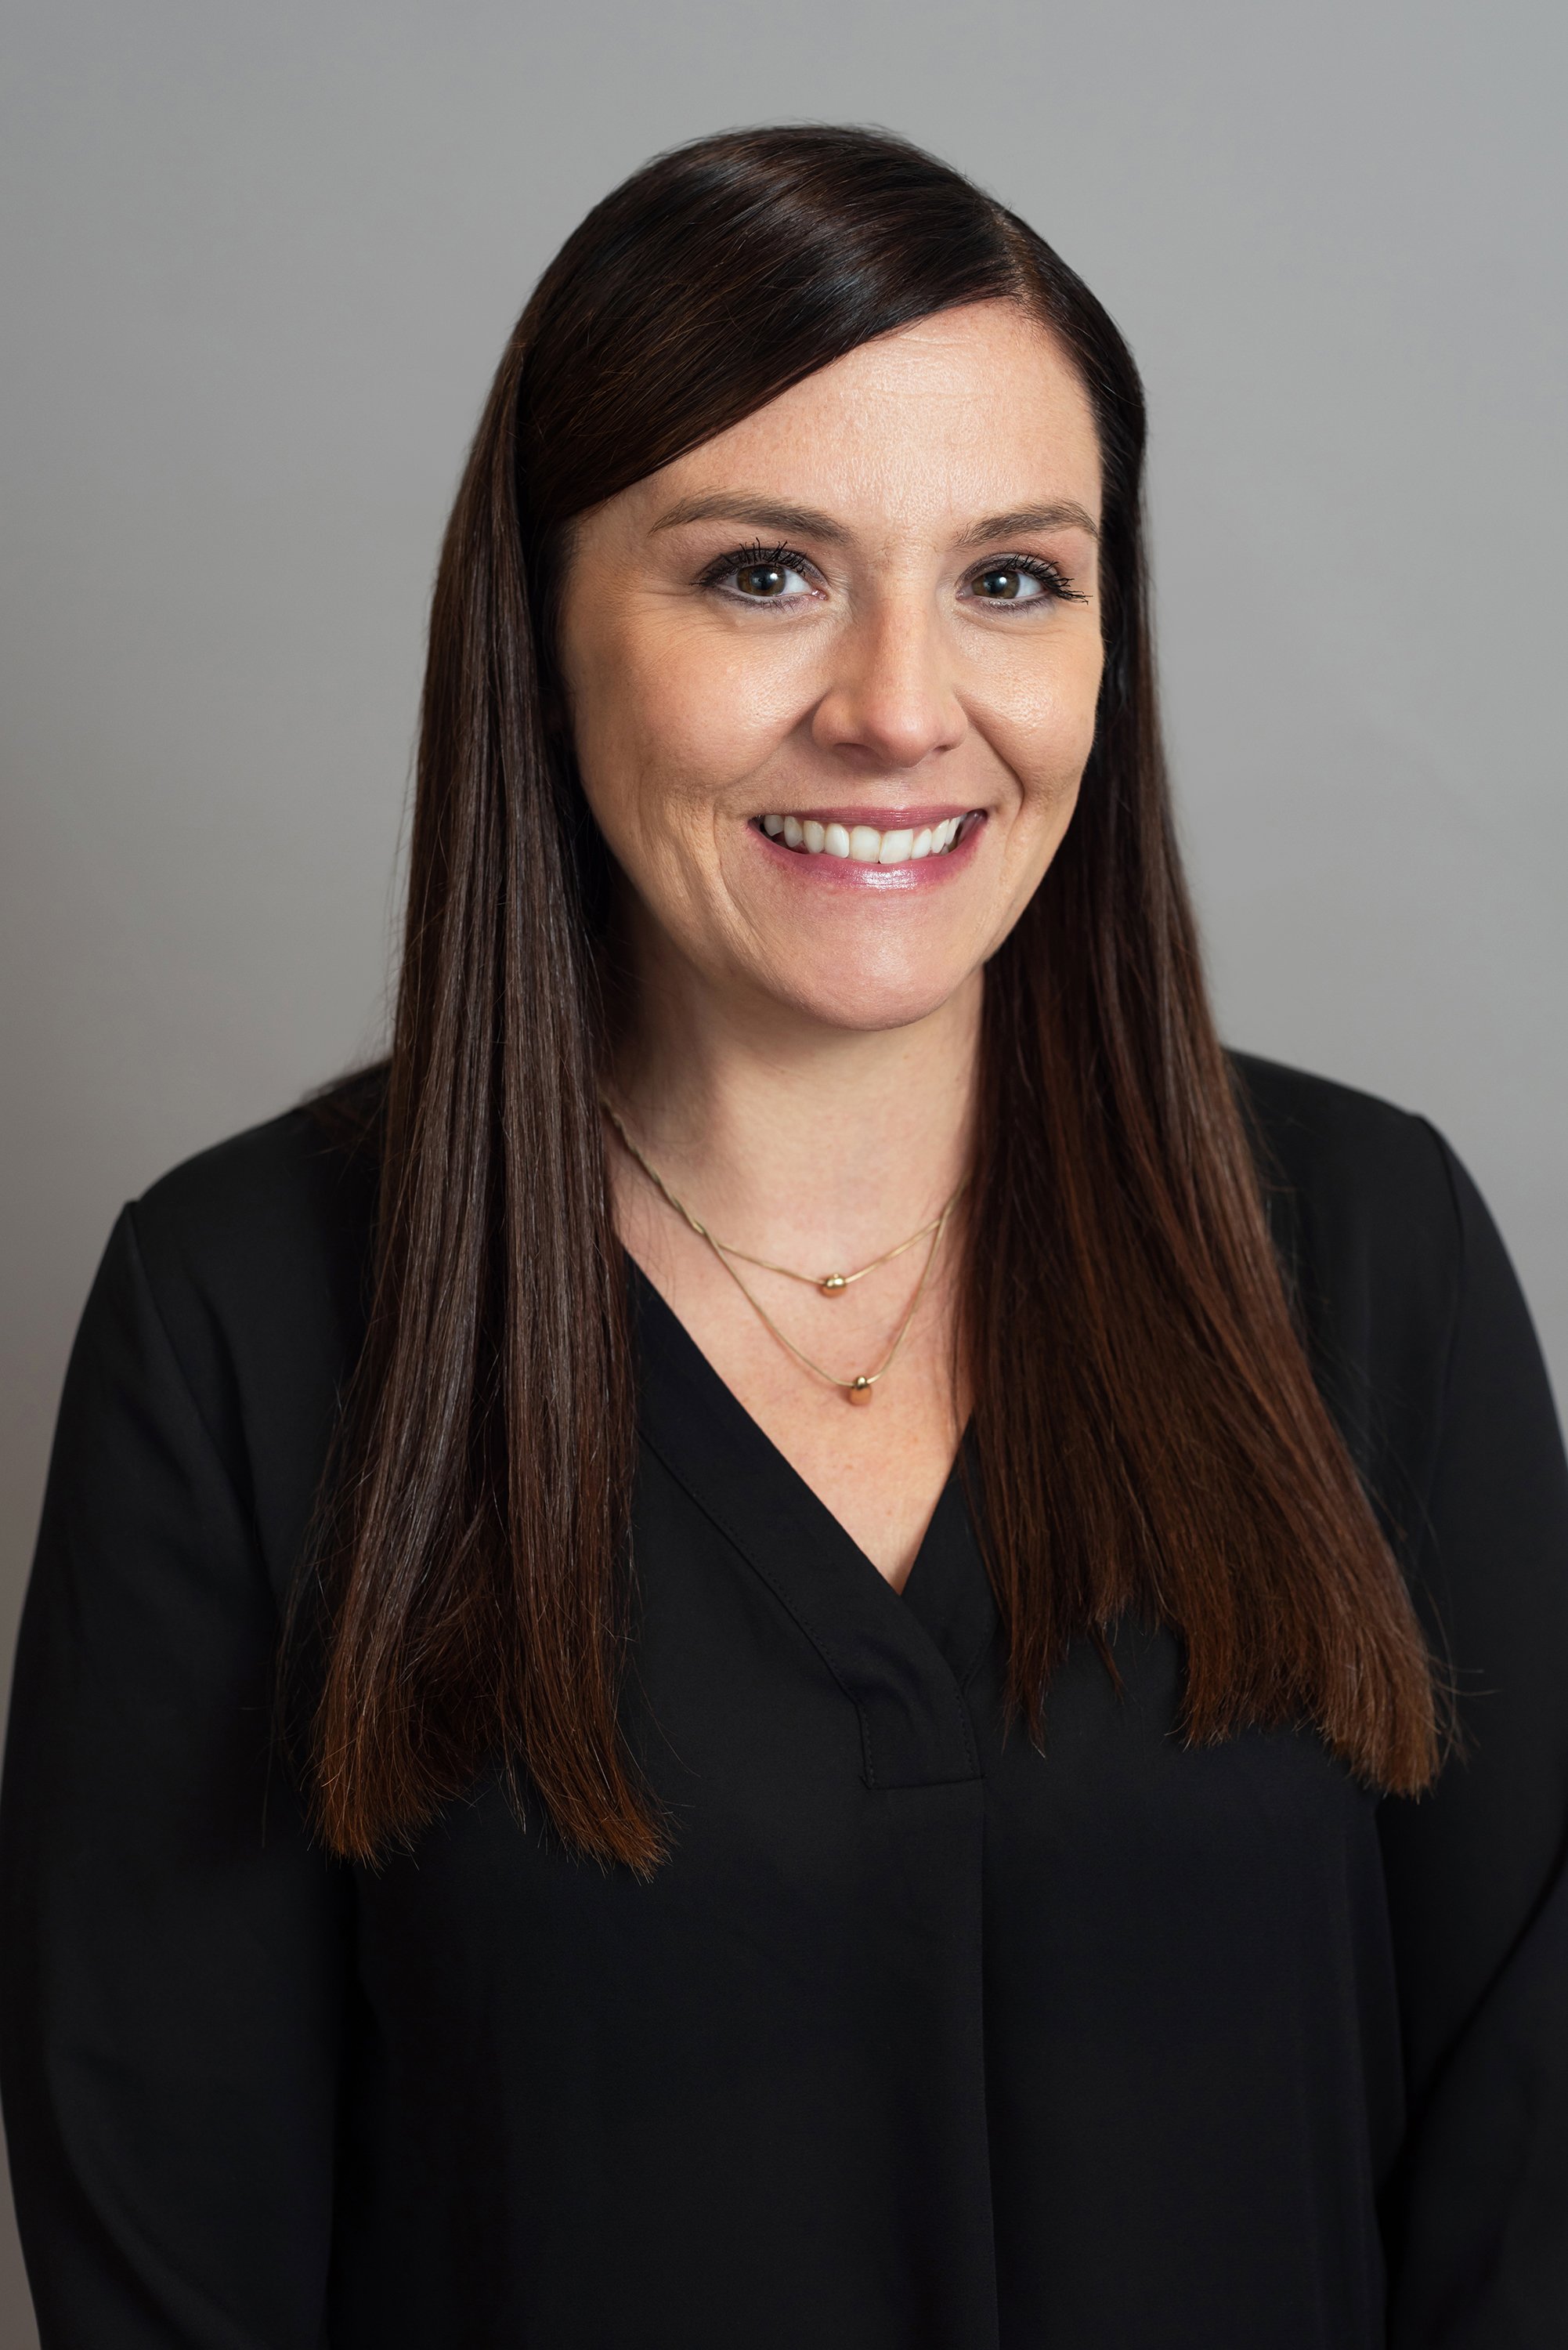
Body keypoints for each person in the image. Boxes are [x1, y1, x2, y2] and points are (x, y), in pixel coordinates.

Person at [2, 124, 1564, 2350]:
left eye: (1010, 577)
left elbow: (1532, 2174)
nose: (902, 708)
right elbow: (176, 2266)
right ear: (539, 629)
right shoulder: (243, 1324)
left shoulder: (1368, 1253)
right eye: (762, 574)